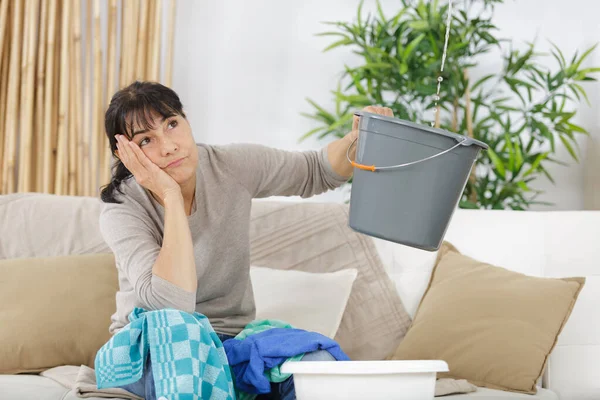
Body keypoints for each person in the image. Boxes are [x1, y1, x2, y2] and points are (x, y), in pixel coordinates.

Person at [98, 81, 393, 400]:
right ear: (125, 154)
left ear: (186, 120)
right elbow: (174, 306)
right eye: (146, 140)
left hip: (229, 343)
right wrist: (170, 196)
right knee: (184, 360)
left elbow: (315, 170)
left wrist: (356, 140)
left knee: (316, 366)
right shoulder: (121, 208)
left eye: (172, 124)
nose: (168, 146)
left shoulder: (230, 166)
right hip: (152, 349)